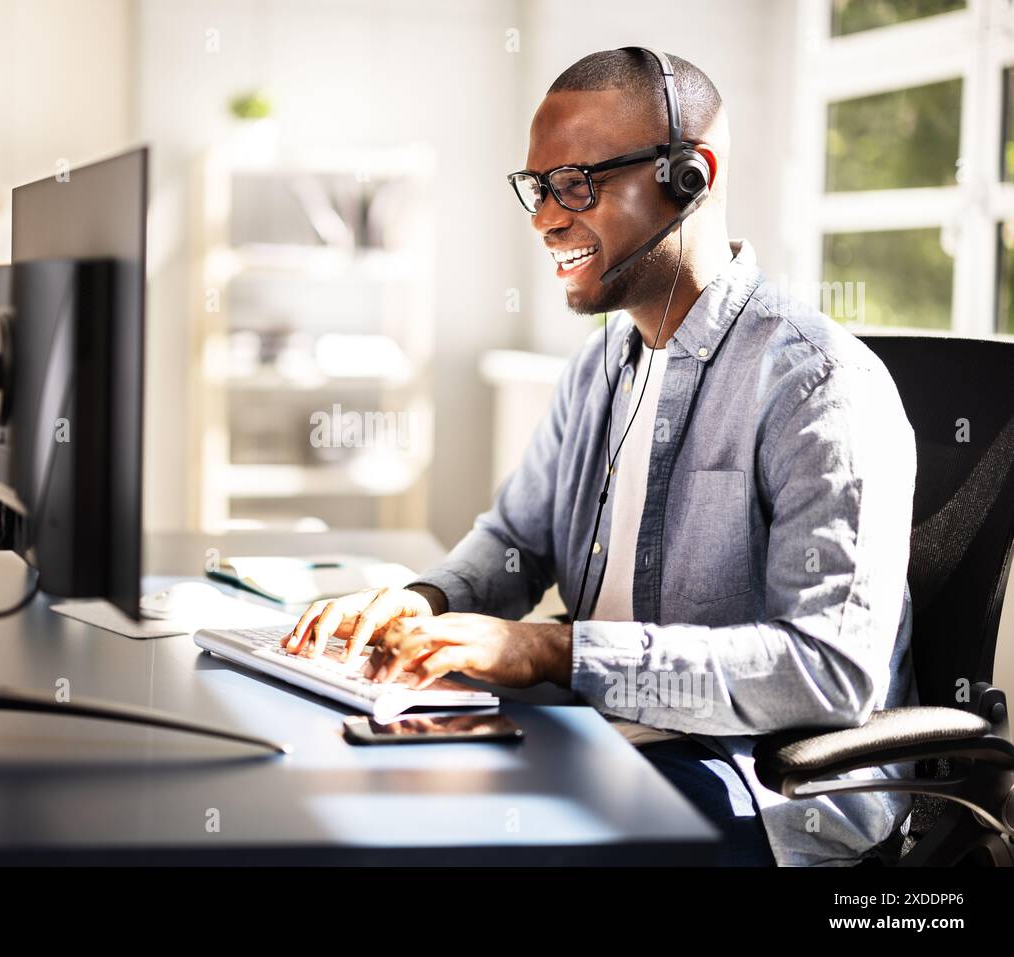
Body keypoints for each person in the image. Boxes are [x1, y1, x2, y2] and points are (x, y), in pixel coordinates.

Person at [282, 48, 919, 867]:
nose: (546, 217)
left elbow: (826, 672)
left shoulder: (817, 384)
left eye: (575, 183)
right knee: (350, 779)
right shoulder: (600, 365)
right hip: (611, 729)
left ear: (690, 175)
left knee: (437, 836)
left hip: (758, 785)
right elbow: (517, 538)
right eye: (536, 187)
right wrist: (425, 599)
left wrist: (550, 649)